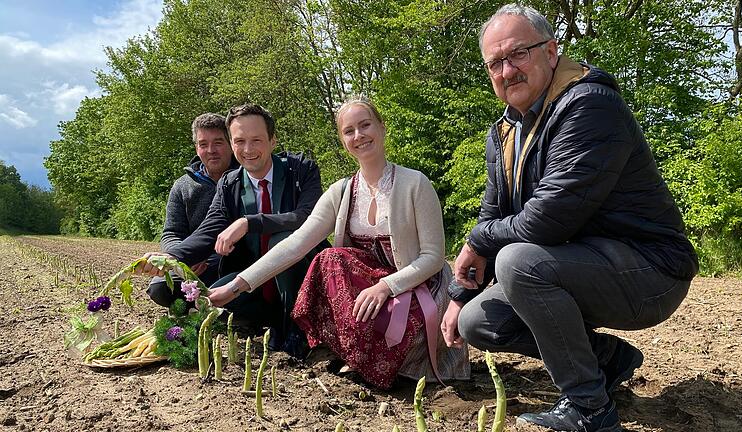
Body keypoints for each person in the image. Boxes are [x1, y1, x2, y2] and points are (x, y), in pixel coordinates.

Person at [440, 5, 698, 432]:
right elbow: (494, 212)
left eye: (519, 53)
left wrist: (479, 239)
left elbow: (546, 222)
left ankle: (589, 409)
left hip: (650, 271)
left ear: (551, 50)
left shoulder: (590, 106)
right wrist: (458, 294)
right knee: (478, 322)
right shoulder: (504, 131)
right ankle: (606, 360)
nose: (508, 70)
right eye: (495, 63)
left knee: (518, 262)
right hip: (582, 264)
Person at [209, 97, 470, 388]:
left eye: (365, 125)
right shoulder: (342, 190)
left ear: (381, 128)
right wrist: (236, 286)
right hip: (368, 292)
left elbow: (434, 257)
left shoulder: (415, 183)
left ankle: (387, 356)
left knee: (343, 266)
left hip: (415, 286)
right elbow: (296, 244)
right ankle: (357, 352)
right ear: (342, 139)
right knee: (329, 259)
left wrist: (386, 286)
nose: (358, 136)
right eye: (349, 131)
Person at [140, 103, 324, 357]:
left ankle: (295, 328)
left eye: (256, 140)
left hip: (302, 278)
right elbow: (208, 231)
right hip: (250, 277)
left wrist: (249, 222)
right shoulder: (230, 183)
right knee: (208, 300)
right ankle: (261, 318)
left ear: (273, 140)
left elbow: (306, 217)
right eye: (239, 141)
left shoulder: (301, 170)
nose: (247, 150)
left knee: (281, 240)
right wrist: (173, 258)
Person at [146, 113, 239, 307]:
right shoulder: (182, 186)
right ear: (196, 148)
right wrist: (182, 261)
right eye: (203, 144)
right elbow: (171, 232)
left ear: (230, 144)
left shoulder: (245, 178)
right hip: (191, 262)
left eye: (218, 143)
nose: (211, 150)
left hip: (235, 261)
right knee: (160, 288)